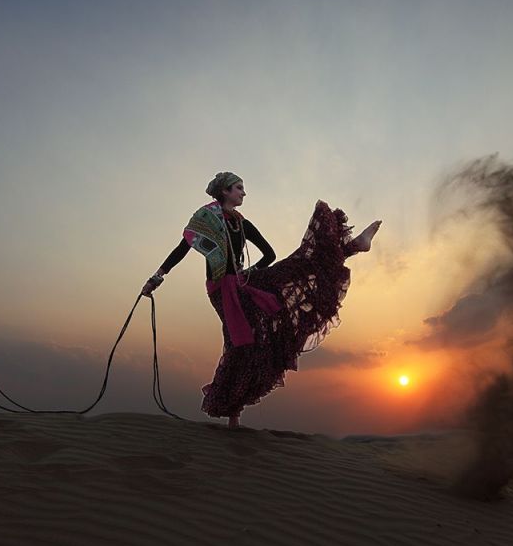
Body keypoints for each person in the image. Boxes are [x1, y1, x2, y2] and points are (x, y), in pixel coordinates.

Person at [143, 171, 381, 428]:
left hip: (245, 284)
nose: (243, 193)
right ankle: (232, 412)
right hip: (221, 289)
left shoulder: (243, 224)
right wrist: (157, 278)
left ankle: (351, 247)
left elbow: (269, 254)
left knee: (292, 274)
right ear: (225, 191)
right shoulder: (207, 220)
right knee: (241, 343)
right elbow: (182, 249)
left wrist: (249, 274)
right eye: (238, 188)